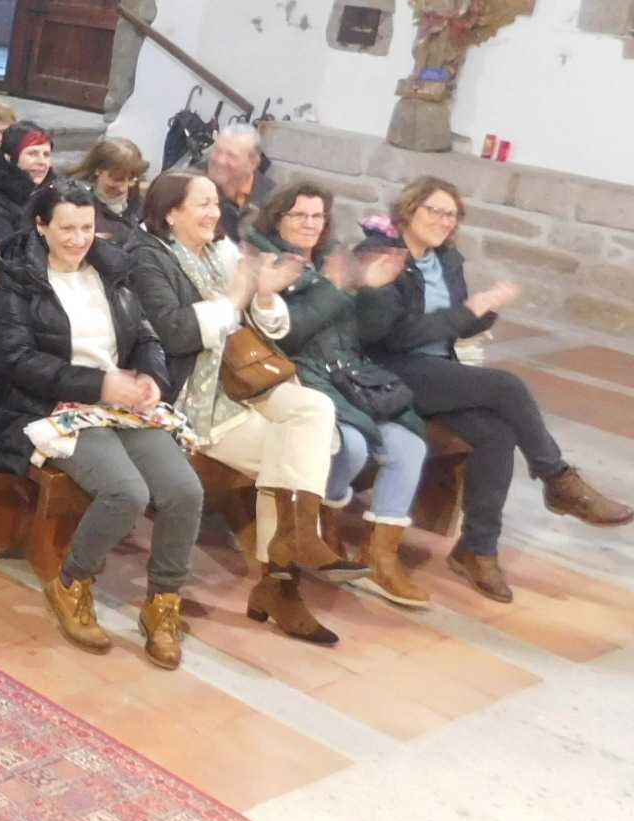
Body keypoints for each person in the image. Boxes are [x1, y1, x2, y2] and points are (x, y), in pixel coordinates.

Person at [0, 183, 204, 666]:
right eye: (66, 228)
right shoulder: (18, 278)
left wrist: (151, 376)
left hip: (117, 400)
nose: (78, 239)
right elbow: (15, 360)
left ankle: (162, 602)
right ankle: (71, 583)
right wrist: (100, 384)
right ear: (41, 226)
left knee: (185, 491)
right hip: (48, 404)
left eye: (87, 227)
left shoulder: (111, 270)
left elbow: (146, 336)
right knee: (126, 492)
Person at [358, 176, 631, 600]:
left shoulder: (446, 260)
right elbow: (395, 335)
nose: (444, 221)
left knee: (496, 433)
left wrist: (484, 311)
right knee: (506, 386)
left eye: (452, 215)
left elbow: (455, 324)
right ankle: (558, 479)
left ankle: (477, 549)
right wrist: (469, 310)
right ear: (409, 210)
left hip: (437, 370)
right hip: (389, 370)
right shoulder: (381, 255)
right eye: (435, 211)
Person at [129, 172, 357, 645]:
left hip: (243, 380)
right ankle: (281, 585)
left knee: (315, 408)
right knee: (287, 453)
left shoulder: (222, 251)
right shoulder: (149, 257)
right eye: (202, 204)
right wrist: (236, 297)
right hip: (192, 392)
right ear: (171, 213)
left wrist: (266, 292)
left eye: (216, 203)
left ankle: (296, 543)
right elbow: (176, 333)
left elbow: (268, 328)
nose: (215, 213)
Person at [251, 183, 433, 609]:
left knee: (409, 444)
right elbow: (290, 333)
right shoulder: (268, 262)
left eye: (317, 216)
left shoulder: (333, 257)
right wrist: (338, 286)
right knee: (350, 446)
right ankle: (318, 528)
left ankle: (380, 558)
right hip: (301, 375)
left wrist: (375, 288)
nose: (310, 224)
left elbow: (366, 332)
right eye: (300, 215)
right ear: (278, 218)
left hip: (349, 373)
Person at [188, 123, 272, 244]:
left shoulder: (270, 199)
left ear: (253, 163)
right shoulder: (190, 182)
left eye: (231, 156)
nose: (220, 161)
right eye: (217, 151)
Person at [0, 121, 54, 243]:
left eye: (46, 154)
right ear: (9, 157)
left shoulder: (53, 192)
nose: (42, 162)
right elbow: (6, 249)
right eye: (32, 154)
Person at [67, 137, 150, 245]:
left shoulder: (142, 206)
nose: (123, 189)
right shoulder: (74, 205)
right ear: (98, 170)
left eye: (131, 179)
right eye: (117, 179)